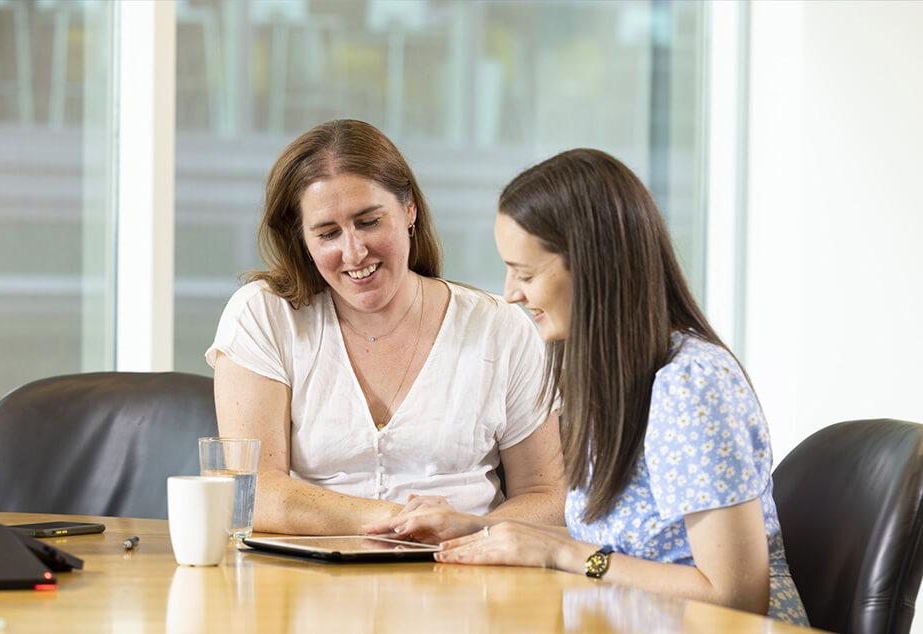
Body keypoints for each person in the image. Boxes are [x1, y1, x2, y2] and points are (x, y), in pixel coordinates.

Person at [365, 148, 809, 625]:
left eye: (527, 273)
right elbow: (627, 555)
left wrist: (564, 556)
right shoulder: (610, 377)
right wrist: (479, 528)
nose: (511, 291)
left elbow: (734, 597)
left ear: (595, 267)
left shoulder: (691, 386)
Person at [206, 119, 566, 536]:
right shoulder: (263, 316)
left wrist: (468, 529)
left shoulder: (499, 328)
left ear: (409, 210)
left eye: (369, 222)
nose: (354, 252)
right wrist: (400, 522)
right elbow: (252, 492)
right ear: (301, 238)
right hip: (307, 585)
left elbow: (549, 498)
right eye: (327, 233)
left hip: (465, 576)